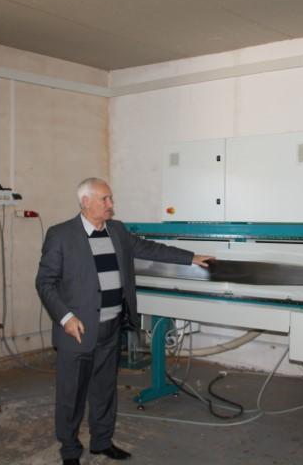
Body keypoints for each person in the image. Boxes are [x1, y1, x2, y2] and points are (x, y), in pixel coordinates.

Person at [36, 177, 213, 464]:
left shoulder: (117, 230)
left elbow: (150, 249)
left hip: (111, 327)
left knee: (105, 390)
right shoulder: (61, 235)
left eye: (111, 198)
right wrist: (66, 317)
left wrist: (190, 257)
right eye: (105, 199)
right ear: (85, 202)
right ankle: (69, 451)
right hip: (77, 331)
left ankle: (101, 442)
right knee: (71, 395)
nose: (111, 204)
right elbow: (45, 282)